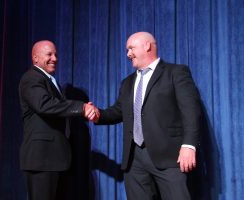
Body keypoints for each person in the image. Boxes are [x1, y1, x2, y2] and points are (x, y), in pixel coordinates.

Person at [90, 32, 201, 200]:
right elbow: (118, 111)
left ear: (147, 46)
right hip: (134, 159)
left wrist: (189, 145)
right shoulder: (127, 82)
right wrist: (97, 115)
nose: (128, 54)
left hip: (170, 156)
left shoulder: (176, 72)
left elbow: (191, 111)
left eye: (131, 48)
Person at [18, 40, 96, 200]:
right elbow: (45, 104)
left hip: (55, 160)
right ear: (35, 58)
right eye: (49, 54)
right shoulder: (31, 78)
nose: (54, 58)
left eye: (56, 54)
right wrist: (81, 108)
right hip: (42, 160)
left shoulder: (51, 81)